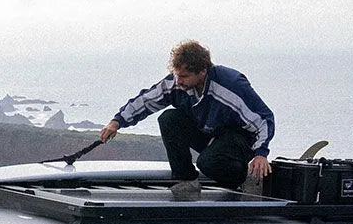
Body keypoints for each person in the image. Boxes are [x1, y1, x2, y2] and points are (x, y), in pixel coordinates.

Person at [100, 40, 275, 200]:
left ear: (202, 72)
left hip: (238, 140)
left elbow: (263, 120)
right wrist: (118, 121)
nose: (178, 81)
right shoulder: (178, 82)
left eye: (184, 76)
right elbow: (147, 100)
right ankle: (185, 182)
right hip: (210, 132)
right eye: (177, 75)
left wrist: (261, 153)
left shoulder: (230, 86)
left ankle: (238, 179)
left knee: (207, 163)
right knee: (169, 119)